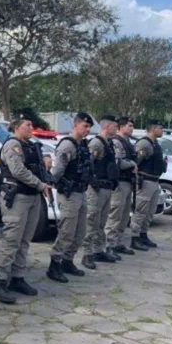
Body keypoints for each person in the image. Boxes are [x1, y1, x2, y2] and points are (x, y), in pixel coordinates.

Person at [0, 116, 51, 304]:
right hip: (17, 197)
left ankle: (17, 277)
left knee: (24, 240)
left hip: (32, 197)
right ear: (16, 127)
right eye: (28, 124)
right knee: (11, 241)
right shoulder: (12, 145)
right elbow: (18, 171)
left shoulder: (31, 145)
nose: (31, 127)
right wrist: (40, 184)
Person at [47, 113, 94, 282]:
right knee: (67, 231)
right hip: (69, 194)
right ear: (76, 125)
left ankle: (68, 260)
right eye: (84, 126)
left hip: (81, 192)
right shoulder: (67, 145)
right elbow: (57, 172)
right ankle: (55, 264)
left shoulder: (83, 145)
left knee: (80, 232)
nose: (87, 130)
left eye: (89, 127)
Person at [82, 115, 122, 268]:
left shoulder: (109, 143)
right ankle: (87, 253)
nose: (116, 128)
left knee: (101, 222)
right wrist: (93, 182)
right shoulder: (97, 143)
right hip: (96, 188)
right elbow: (89, 164)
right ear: (106, 126)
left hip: (106, 187)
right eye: (114, 126)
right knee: (91, 221)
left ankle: (98, 250)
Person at [130, 120, 166, 251]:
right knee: (140, 211)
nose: (162, 131)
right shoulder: (144, 143)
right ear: (153, 129)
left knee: (150, 212)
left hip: (155, 180)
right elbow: (136, 163)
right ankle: (134, 237)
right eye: (160, 128)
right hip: (145, 181)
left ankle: (143, 234)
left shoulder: (155, 144)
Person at [105, 117, 137, 256]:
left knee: (124, 216)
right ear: (122, 127)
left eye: (132, 126)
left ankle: (117, 243)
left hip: (128, 181)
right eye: (129, 126)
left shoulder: (128, 142)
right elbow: (119, 163)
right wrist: (132, 164)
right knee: (115, 215)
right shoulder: (117, 141)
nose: (132, 128)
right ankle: (109, 244)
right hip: (120, 182)